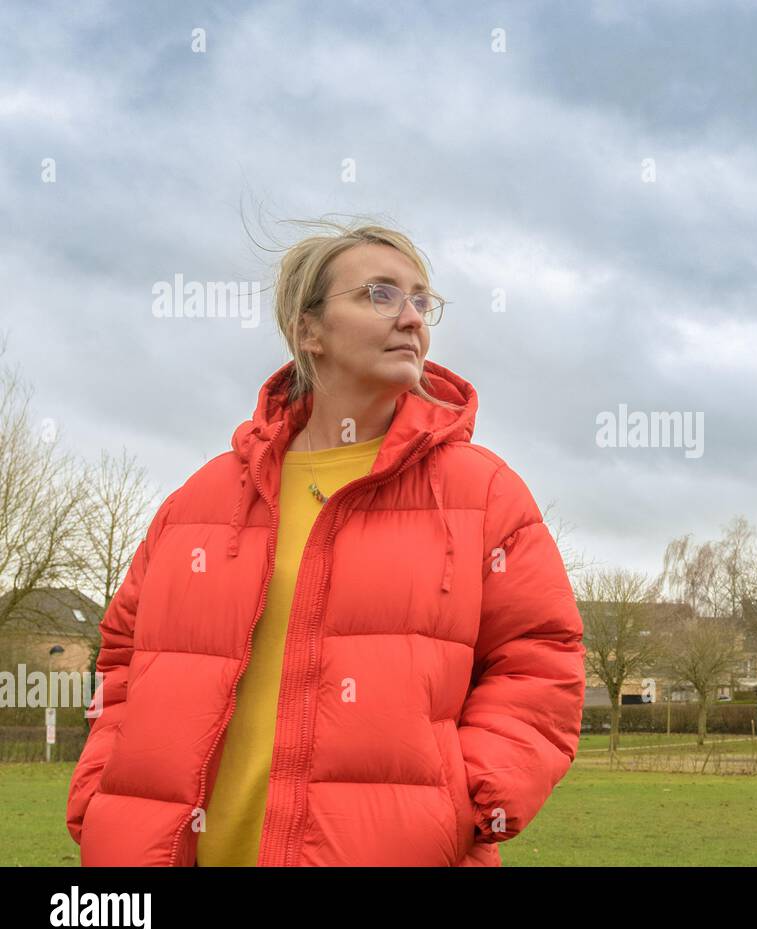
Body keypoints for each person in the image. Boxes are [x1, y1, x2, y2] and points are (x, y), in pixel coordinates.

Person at [65, 220, 586, 866]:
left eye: (423, 301)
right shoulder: (198, 504)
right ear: (308, 330)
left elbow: (541, 663)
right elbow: (123, 661)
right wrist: (102, 792)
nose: (412, 318)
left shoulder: (484, 496)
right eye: (381, 295)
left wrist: (468, 800)